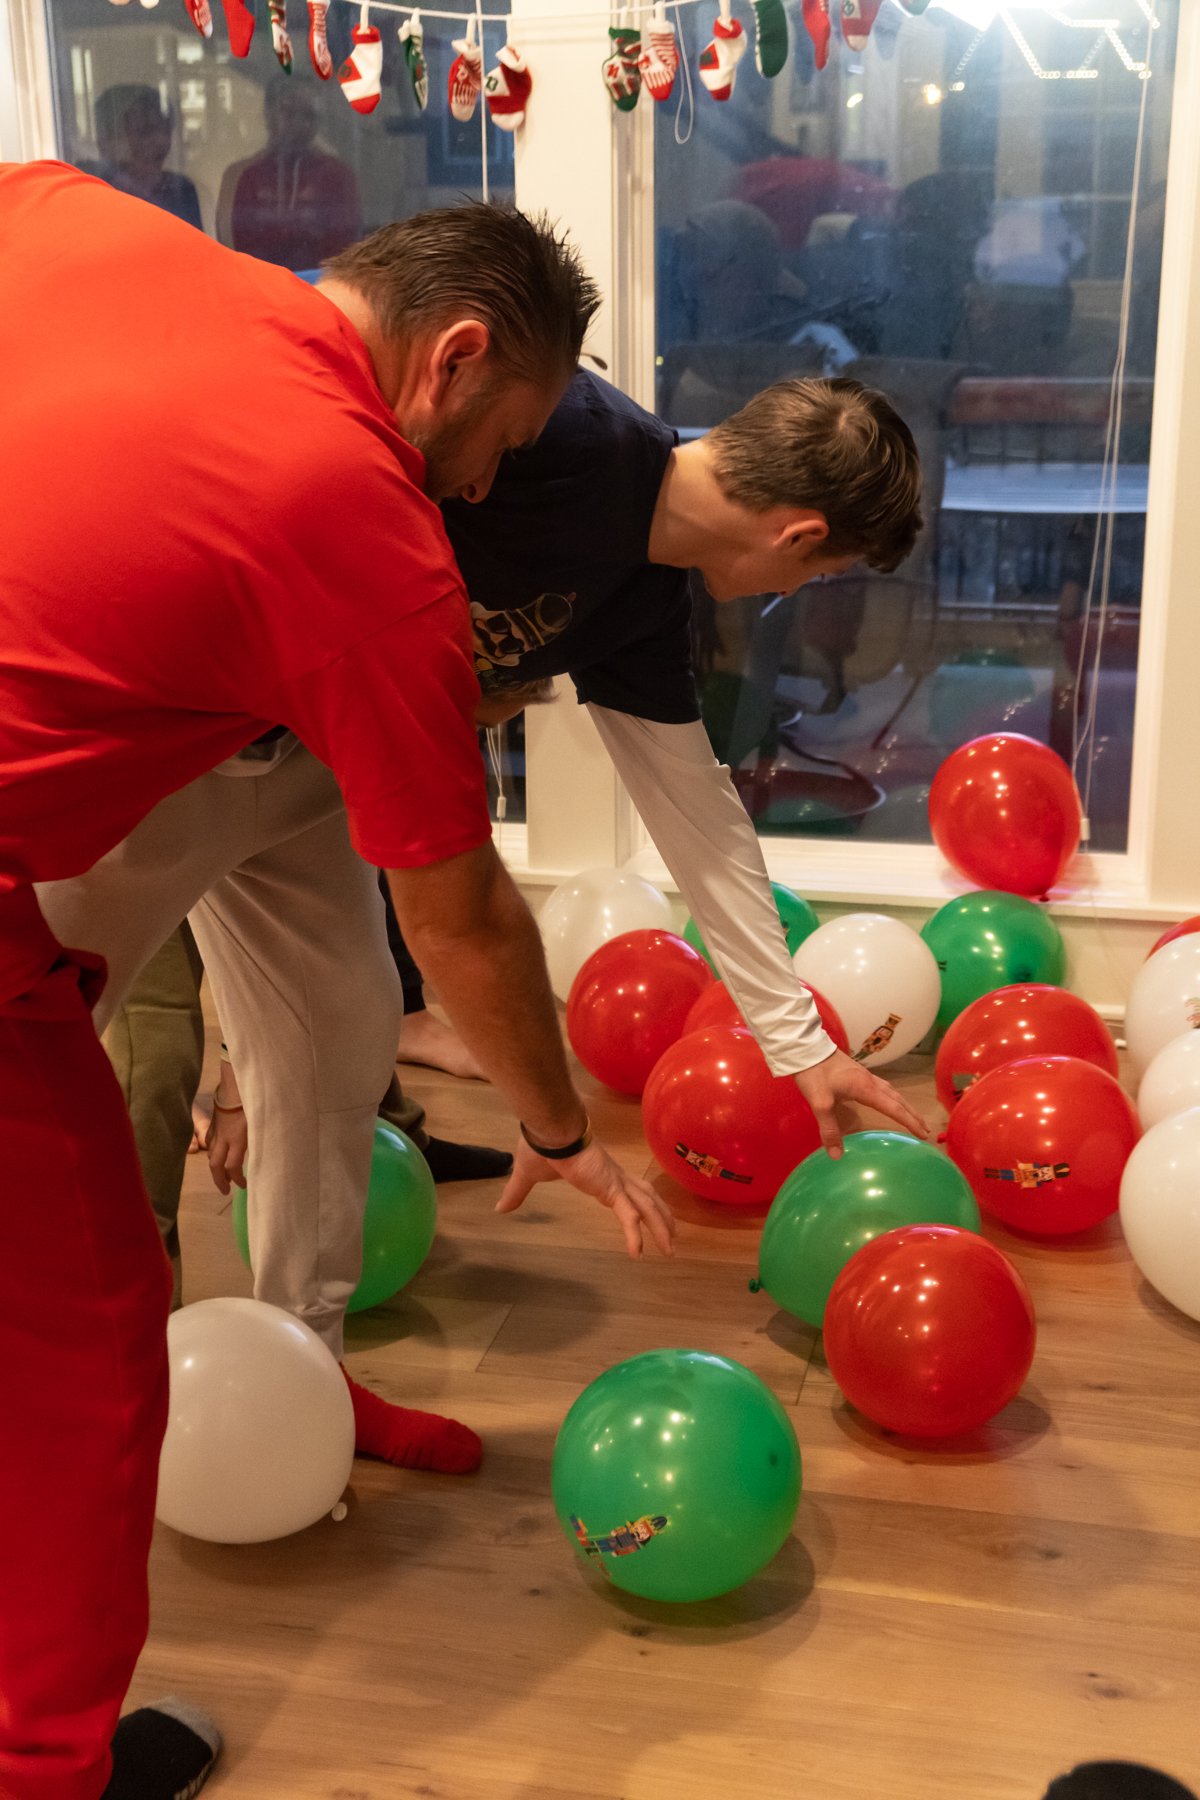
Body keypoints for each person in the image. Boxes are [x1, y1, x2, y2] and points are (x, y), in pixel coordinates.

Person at [1, 160, 678, 1800]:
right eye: (497, 441)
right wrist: (564, 1133)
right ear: (448, 358)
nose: (476, 486)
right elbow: (462, 921)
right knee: (92, 1352)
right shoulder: (363, 521)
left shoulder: (68, 209)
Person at [80, 367, 930, 1478]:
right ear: (799, 533)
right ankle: (82, 1421)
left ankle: (302, 1374)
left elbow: (696, 812)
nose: (796, 591)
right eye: (820, 571)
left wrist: (797, 1039)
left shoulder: (641, 604)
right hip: (165, 745)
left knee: (336, 1055)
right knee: (56, 1057)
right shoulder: (554, 429)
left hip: (303, 780)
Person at [217, 81, 361, 268]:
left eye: (309, 115)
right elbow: (238, 249)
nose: (299, 124)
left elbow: (344, 249)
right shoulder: (244, 176)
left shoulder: (338, 175)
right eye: (288, 112)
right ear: (268, 115)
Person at [85, 85, 203, 229]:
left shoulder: (182, 189)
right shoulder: (94, 194)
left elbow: (194, 248)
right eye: (144, 131)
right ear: (108, 139)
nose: (161, 140)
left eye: (165, 128)